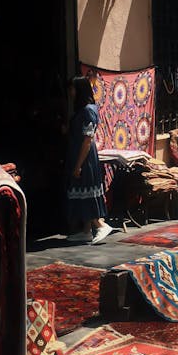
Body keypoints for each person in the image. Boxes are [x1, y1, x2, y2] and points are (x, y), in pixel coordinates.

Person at [65, 76, 112, 244]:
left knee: (87, 190)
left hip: (85, 158)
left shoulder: (87, 110)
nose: (71, 93)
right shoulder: (85, 110)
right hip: (80, 155)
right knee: (81, 190)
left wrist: (78, 165)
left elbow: (87, 139)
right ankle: (86, 230)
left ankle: (99, 224)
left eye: (73, 89)